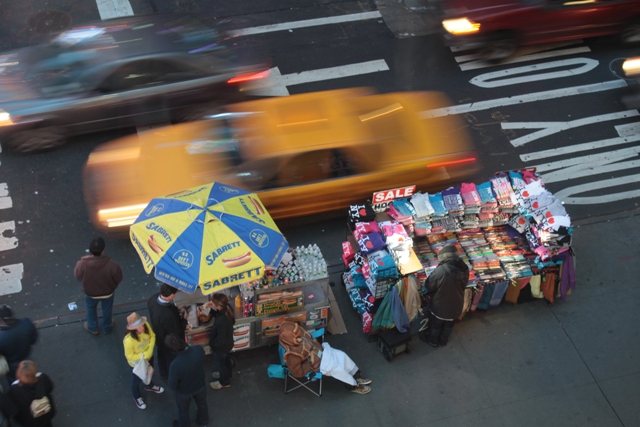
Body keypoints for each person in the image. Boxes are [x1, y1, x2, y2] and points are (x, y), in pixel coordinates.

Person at [279, 321, 372, 394]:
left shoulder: (300, 334)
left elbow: (310, 339)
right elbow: (297, 372)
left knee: (342, 355)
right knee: (339, 370)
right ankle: (353, 386)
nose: (298, 334)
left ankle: (356, 375)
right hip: (320, 364)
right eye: (295, 334)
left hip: (324, 352)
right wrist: (310, 361)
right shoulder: (292, 355)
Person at [420, 244, 470, 347]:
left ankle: (433, 341)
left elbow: (429, 285)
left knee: (435, 326)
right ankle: (443, 341)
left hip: (440, 305)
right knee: (449, 325)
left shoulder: (441, 270)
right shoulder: (465, 268)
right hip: (456, 305)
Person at [74, 237, 123, 335]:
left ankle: (93, 327)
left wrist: (83, 260)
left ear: (90, 250)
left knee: (91, 308)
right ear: (103, 250)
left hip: (90, 293)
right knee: (107, 309)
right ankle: (107, 326)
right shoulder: (112, 265)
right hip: (108, 292)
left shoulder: (83, 264)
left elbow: (77, 275)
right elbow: (119, 278)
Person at [123, 312, 164, 410]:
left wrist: (149, 352)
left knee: (149, 372)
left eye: (142, 325)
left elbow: (152, 336)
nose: (143, 328)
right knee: (136, 380)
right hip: (137, 364)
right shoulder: (128, 340)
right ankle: (136, 396)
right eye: (139, 327)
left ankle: (149, 386)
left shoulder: (145, 325)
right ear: (133, 330)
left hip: (148, 358)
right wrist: (145, 355)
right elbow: (129, 356)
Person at [165, 334, 208, 427]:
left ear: (172, 350)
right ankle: (203, 422)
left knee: (183, 411)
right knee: (202, 404)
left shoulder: (175, 365)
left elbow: (172, 384)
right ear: (182, 341)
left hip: (184, 392)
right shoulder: (198, 350)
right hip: (200, 385)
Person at [147, 283, 188, 379]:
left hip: (158, 336)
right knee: (171, 359)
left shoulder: (152, 299)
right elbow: (177, 331)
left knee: (161, 355)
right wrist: (184, 319)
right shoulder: (168, 315)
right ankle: (171, 375)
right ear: (171, 296)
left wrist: (176, 309)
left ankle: (163, 373)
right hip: (167, 341)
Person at [9, 360, 55, 427]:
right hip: (46, 413)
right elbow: (50, 388)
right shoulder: (43, 378)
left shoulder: (15, 389)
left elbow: (12, 407)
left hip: (30, 420)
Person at [0, 305, 38, 382]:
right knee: (30, 374)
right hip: (27, 356)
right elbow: (34, 339)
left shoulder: (1, 337)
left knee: (14, 379)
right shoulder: (26, 323)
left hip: (11, 363)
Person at [208, 294, 234, 390]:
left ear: (217, 305)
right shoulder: (227, 309)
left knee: (221, 364)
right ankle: (227, 375)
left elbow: (220, 339)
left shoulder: (222, 321)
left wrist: (213, 345)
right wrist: (211, 311)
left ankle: (224, 382)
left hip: (221, 347)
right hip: (228, 344)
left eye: (213, 302)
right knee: (226, 361)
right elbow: (219, 314)